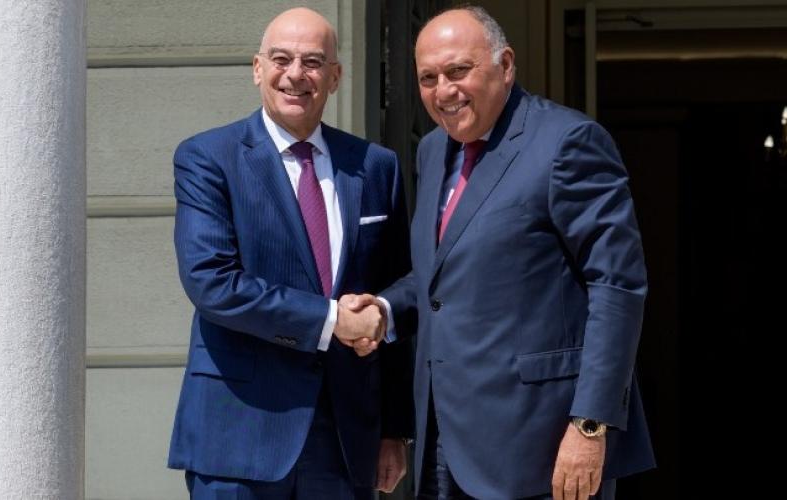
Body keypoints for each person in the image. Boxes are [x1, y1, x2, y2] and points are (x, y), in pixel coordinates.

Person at [348, 6, 655, 500]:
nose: (443, 91)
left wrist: (590, 425)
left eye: (458, 71)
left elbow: (617, 286)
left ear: (505, 64)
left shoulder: (567, 142)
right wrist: (384, 310)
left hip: (541, 449)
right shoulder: (433, 149)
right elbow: (443, 276)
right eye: (428, 78)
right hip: (443, 444)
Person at [166, 7, 414, 499]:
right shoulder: (207, 158)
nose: (295, 74)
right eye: (281, 59)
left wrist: (393, 429)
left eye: (313, 62)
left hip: (345, 440)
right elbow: (212, 282)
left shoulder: (375, 166)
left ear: (335, 77)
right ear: (258, 69)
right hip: (240, 434)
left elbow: (400, 283)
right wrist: (332, 320)